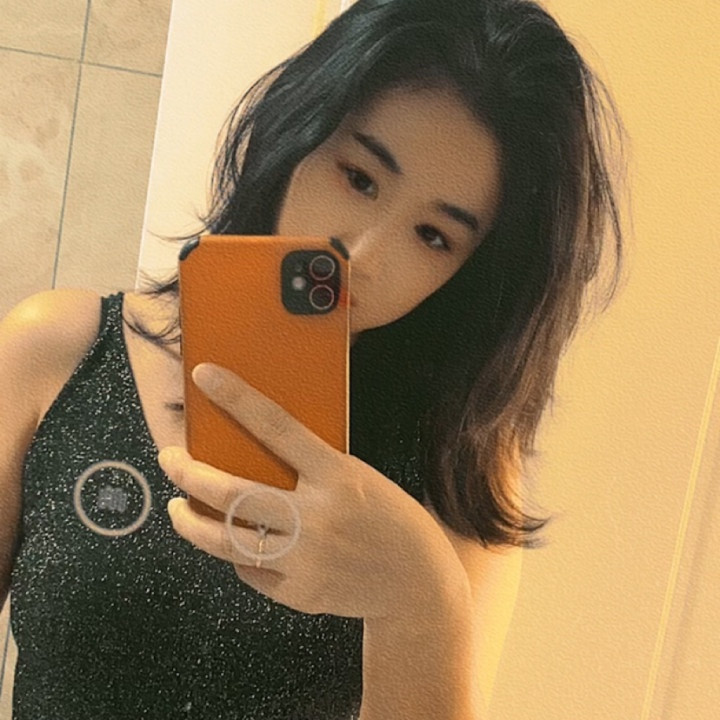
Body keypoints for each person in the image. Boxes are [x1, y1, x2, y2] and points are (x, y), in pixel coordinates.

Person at [0, 0, 625, 717]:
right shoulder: (60, 351)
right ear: (299, 129)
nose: (362, 255)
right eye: (359, 177)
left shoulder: (453, 463)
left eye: (433, 236)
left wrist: (421, 599)